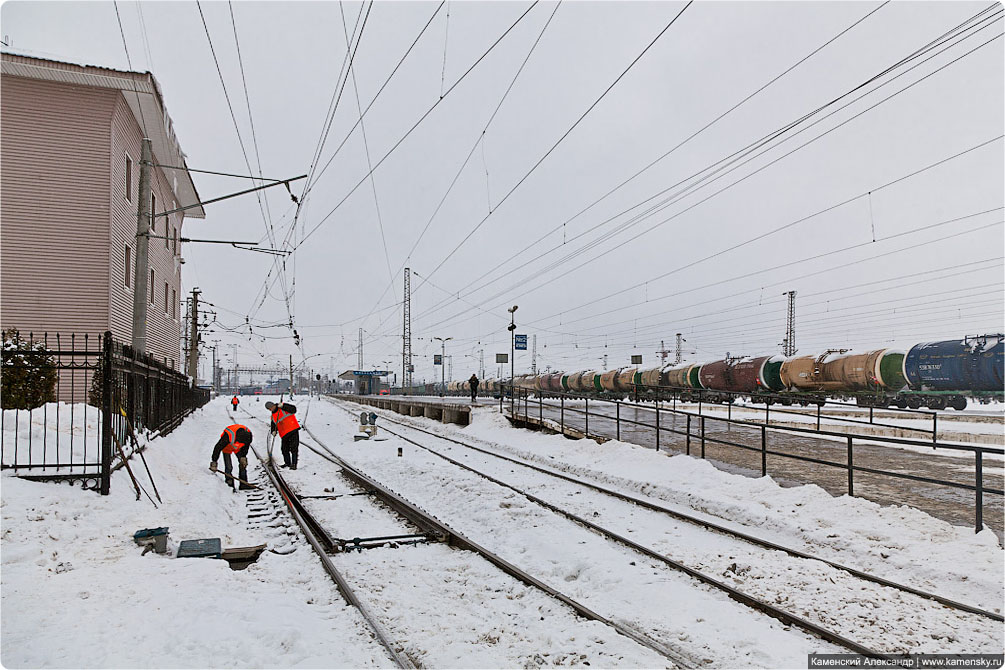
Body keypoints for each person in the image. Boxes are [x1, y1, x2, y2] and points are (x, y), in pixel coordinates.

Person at [210, 424, 254, 491]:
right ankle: (229, 483)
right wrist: (214, 462)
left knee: (243, 464)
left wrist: (243, 457)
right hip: (227, 447)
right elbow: (217, 448)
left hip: (238, 448)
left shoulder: (248, 436)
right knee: (229, 466)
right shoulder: (228, 436)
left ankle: (243, 484)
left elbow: (246, 447)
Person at [266, 400, 300, 469]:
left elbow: (293, 409)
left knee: (294, 448)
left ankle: (294, 464)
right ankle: (287, 463)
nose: (271, 409)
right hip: (284, 434)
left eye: (271, 407)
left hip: (293, 430)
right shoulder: (273, 416)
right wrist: (273, 431)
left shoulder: (283, 408)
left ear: (274, 405)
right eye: (269, 409)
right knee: (284, 449)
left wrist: (284, 405)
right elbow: (273, 426)